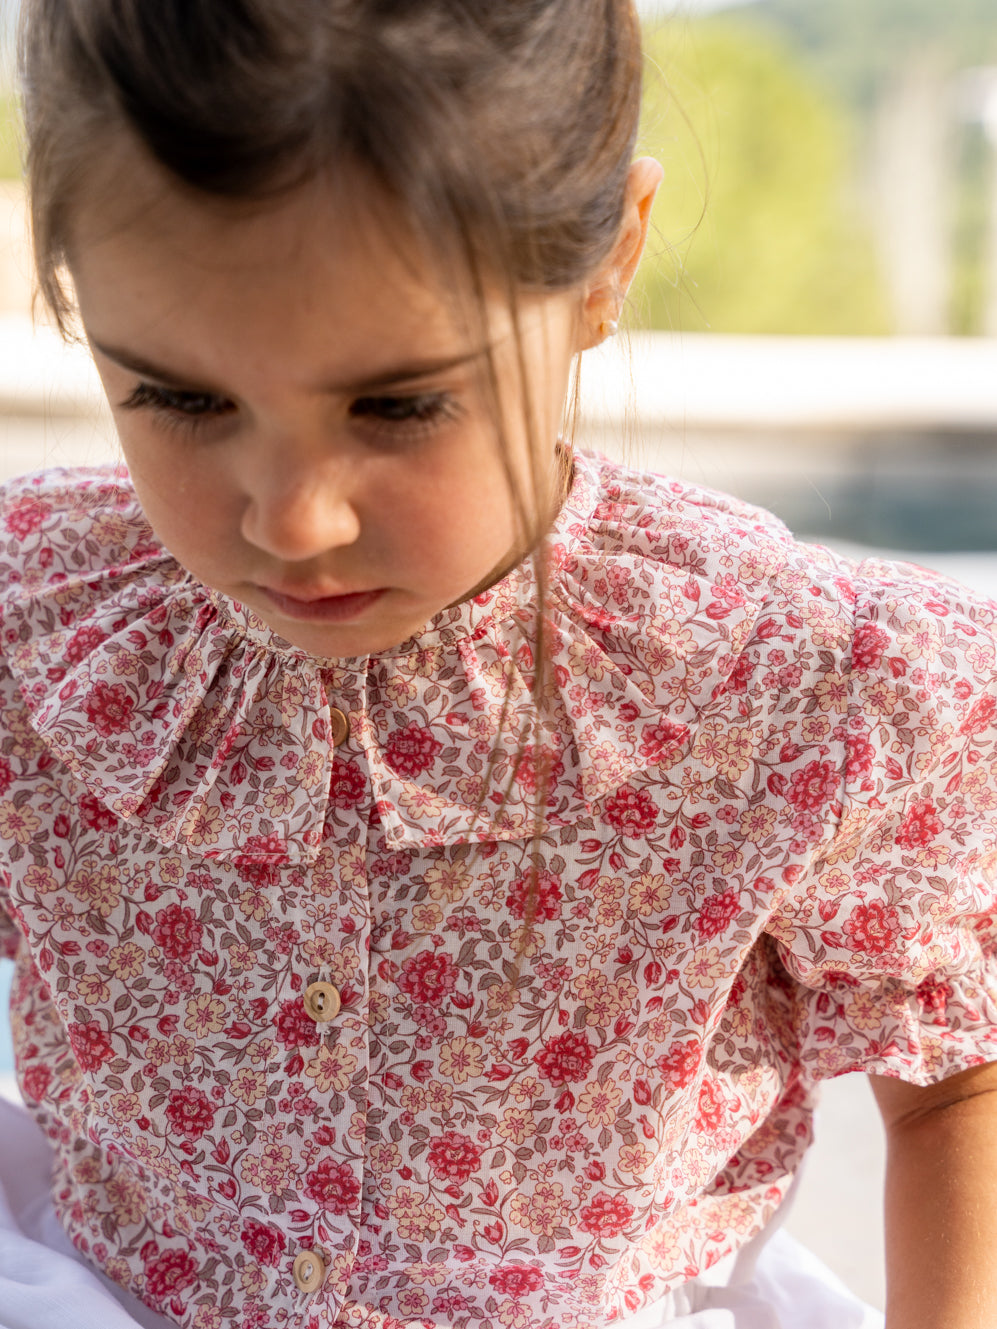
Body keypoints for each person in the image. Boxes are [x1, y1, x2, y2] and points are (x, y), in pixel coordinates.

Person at [1, 2, 996, 1327]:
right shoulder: (33, 637)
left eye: (400, 403)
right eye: (178, 397)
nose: (290, 519)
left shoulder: (801, 688)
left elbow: (955, 1072)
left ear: (605, 266)